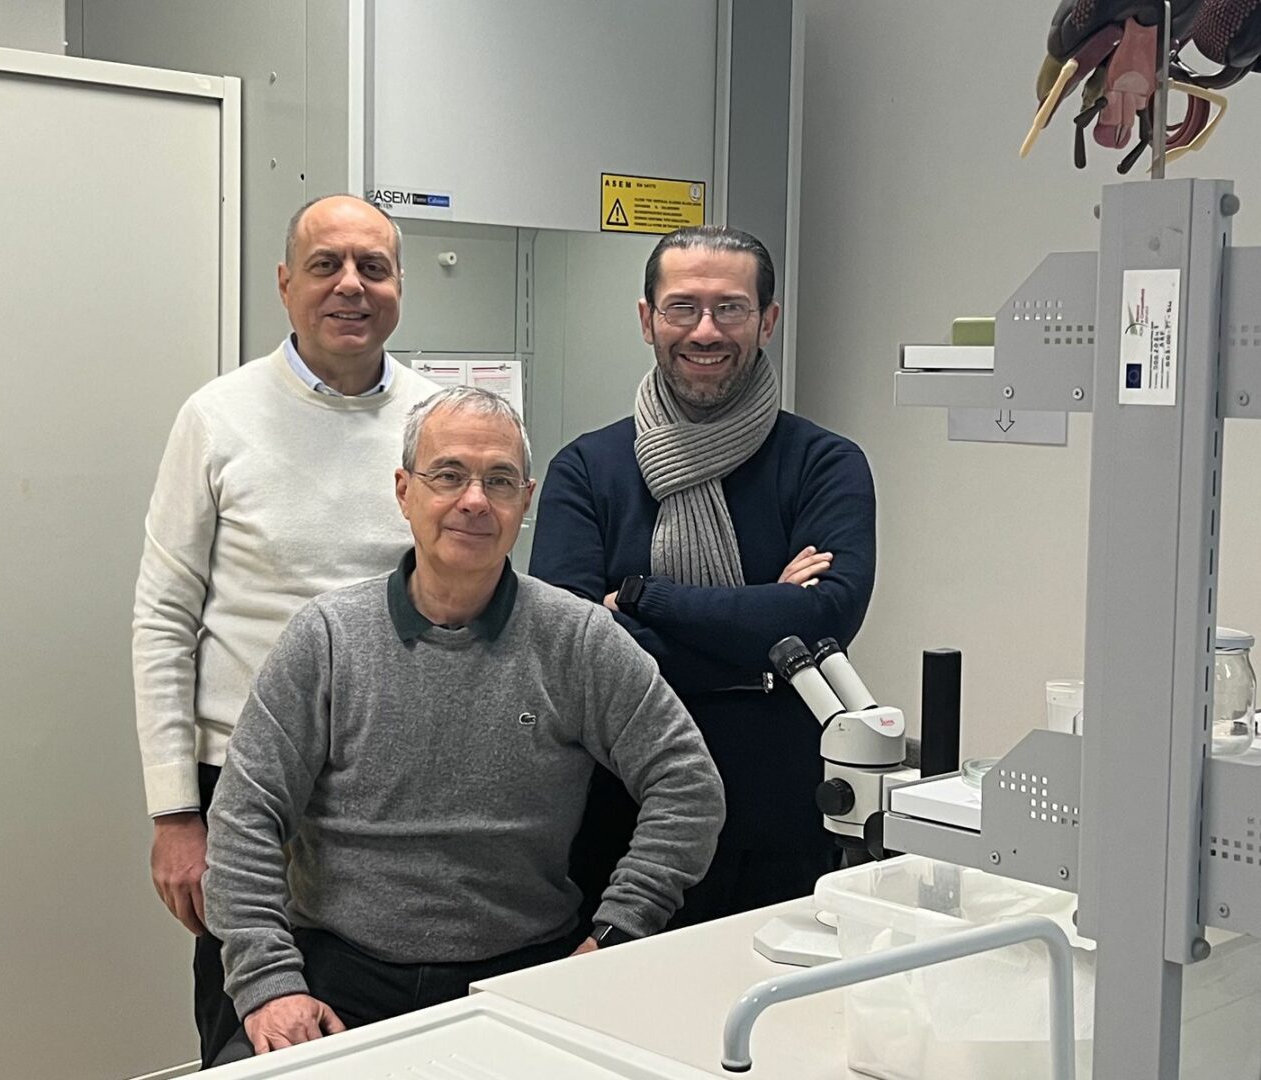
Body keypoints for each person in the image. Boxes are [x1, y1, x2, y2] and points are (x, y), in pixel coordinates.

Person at [203, 387, 726, 1058]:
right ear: (404, 491)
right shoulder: (327, 638)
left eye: (499, 480)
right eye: (448, 475)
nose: (475, 500)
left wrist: (619, 933)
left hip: (527, 974)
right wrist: (269, 983)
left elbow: (689, 787)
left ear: (525, 501)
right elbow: (245, 816)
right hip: (340, 977)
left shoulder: (579, 640)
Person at [132, 193, 439, 1067]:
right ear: (284, 283)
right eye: (325, 265)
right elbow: (163, 620)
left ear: (400, 284)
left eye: (373, 267)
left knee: (386, 1034)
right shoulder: (217, 417)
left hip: (393, 783)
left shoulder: (434, 423)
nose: (351, 286)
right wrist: (176, 814)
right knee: (250, 1029)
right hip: (243, 785)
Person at [529, 224, 876, 925]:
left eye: (731, 308)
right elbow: (571, 647)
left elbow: (824, 621)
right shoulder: (586, 470)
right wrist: (763, 619)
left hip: (779, 820)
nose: (706, 330)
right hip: (618, 816)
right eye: (682, 307)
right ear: (647, 319)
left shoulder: (824, 464)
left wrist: (642, 599)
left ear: (767, 321)